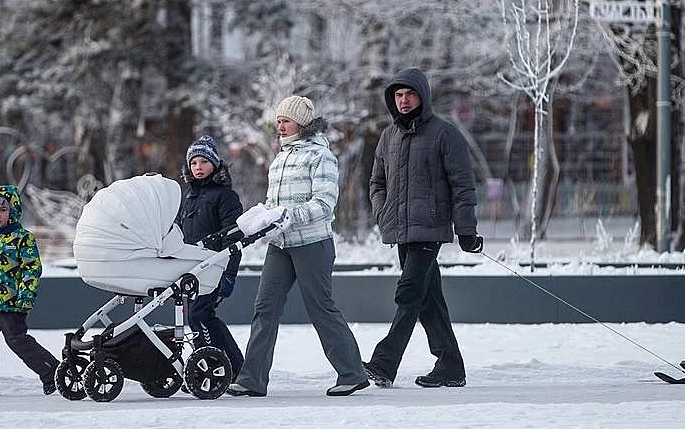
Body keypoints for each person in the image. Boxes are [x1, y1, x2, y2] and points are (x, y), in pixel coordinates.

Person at [227, 95, 369, 397]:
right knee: (265, 308)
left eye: (285, 120)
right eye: (278, 121)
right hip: (280, 245)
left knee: (320, 308)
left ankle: (352, 373)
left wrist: (288, 216)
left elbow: (324, 204)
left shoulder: (321, 157)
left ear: (302, 123)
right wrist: (259, 216)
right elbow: (275, 203)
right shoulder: (280, 158)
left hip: (312, 244)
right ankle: (252, 379)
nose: (279, 125)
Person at [362, 67, 484, 389]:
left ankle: (383, 363)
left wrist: (466, 230)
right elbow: (377, 181)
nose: (403, 101)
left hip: (430, 228)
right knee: (429, 300)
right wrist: (382, 211)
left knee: (409, 293)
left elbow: (463, 185)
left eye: (409, 94)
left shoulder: (445, 133)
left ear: (423, 96)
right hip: (401, 229)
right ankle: (451, 366)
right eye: (398, 96)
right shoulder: (388, 136)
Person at [0, 184, 60, 396]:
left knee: (17, 340)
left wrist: (25, 297)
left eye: (3, 210)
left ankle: (53, 373)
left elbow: (32, 269)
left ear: (12, 211)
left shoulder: (23, 238)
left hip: (12, 302)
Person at [175, 135, 246, 375]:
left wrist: (229, 274)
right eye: (194, 163)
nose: (198, 168)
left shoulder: (225, 197)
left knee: (200, 315)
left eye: (204, 162)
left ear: (215, 165)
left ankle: (214, 366)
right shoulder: (188, 198)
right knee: (198, 318)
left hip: (214, 270)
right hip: (192, 271)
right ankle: (227, 367)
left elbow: (234, 238)